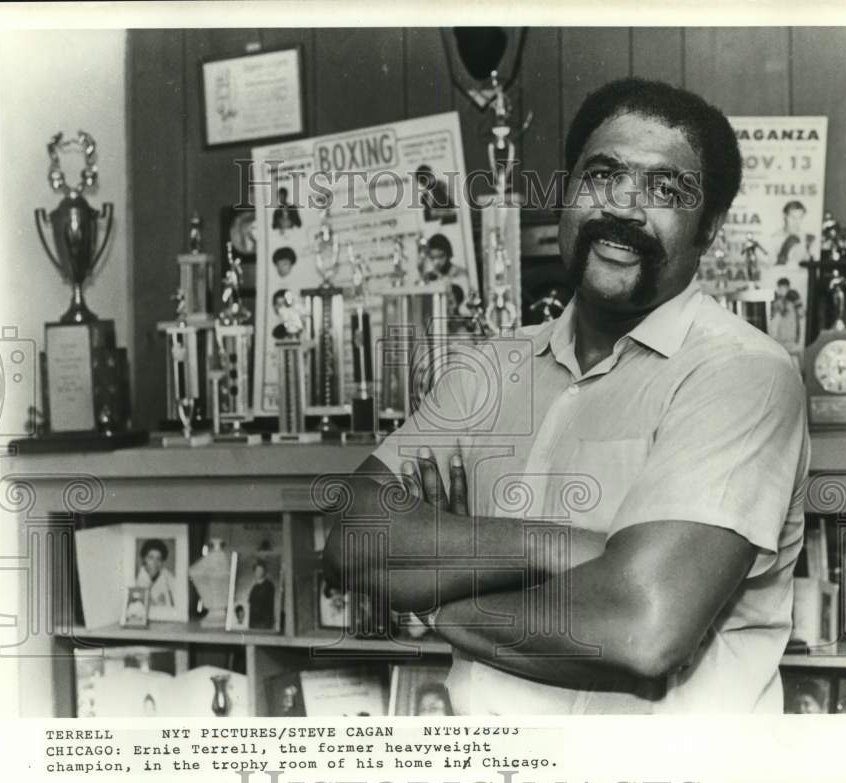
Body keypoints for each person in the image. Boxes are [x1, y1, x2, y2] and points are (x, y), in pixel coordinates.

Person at [323, 77, 809, 714]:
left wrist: (440, 580)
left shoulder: (742, 374)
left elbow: (640, 631)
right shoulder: (489, 368)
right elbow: (349, 541)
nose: (625, 209)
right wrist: (558, 547)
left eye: (665, 189)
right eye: (603, 175)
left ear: (708, 228)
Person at [135, 539, 177, 618]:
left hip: (166, 618)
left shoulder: (166, 574)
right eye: (151, 557)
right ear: (144, 558)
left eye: (159, 559)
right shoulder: (137, 578)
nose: (155, 562)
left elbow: (179, 593)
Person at [770, 277, 805, 369]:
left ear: (787, 288)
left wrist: (800, 341)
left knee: (794, 365)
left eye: (782, 288)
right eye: (779, 288)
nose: (779, 291)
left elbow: (801, 316)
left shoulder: (793, 301)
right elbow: (774, 321)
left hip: (790, 339)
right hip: (781, 339)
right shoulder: (779, 302)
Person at [772, 200, 813, 266]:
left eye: (800, 218)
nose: (796, 222)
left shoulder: (807, 239)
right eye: (793, 217)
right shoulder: (775, 238)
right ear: (785, 216)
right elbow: (773, 268)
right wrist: (785, 249)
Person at [247, 559, 276, 630]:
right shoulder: (254, 587)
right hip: (253, 621)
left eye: (261, 570)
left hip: (264, 622)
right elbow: (250, 602)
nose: (258, 573)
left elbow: (268, 605)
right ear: (254, 572)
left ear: (264, 571)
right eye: (257, 571)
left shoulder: (269, 585)